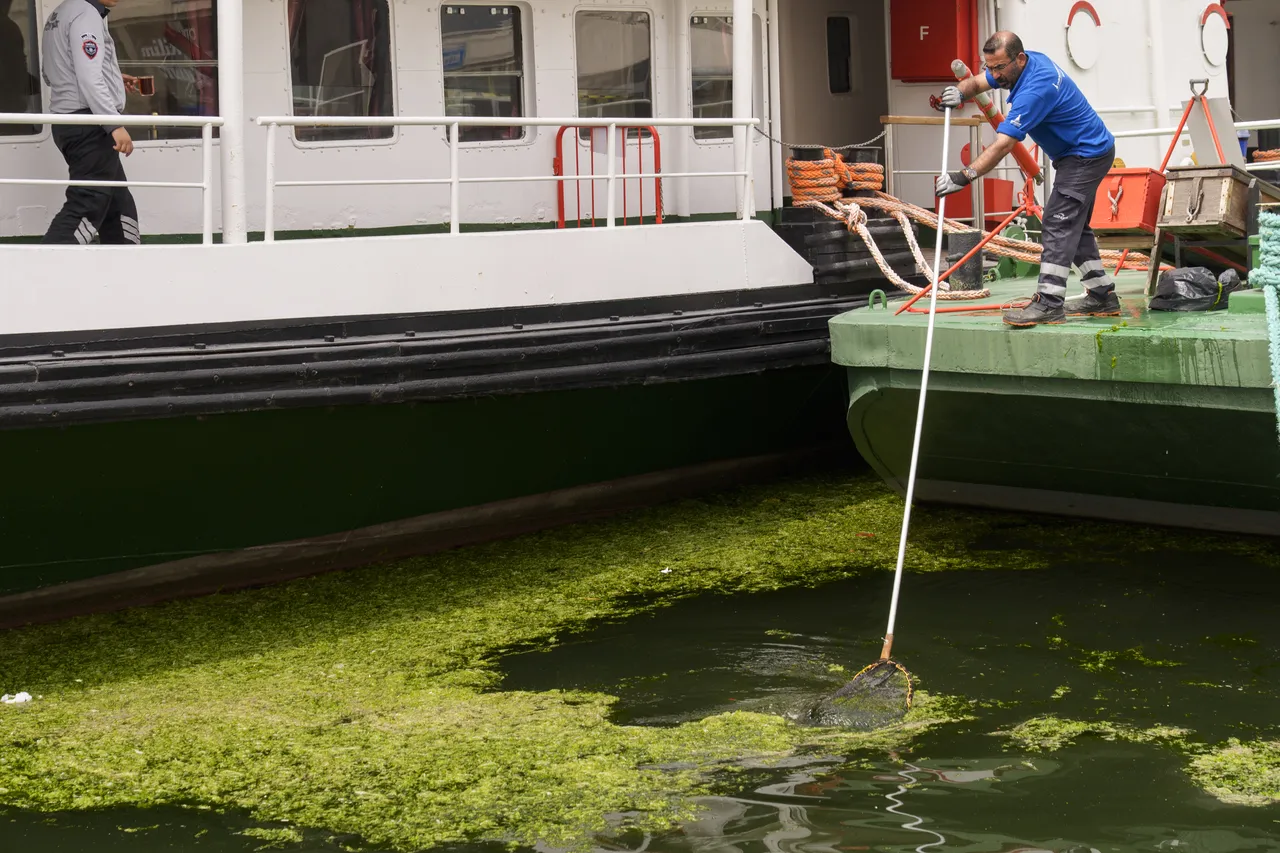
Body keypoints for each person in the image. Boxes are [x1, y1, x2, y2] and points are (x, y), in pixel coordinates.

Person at [935, 32, 1117, 327]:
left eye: (999, 68)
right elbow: (979, 82)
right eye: (989, 66)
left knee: (1058, 223)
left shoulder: (1035, 89)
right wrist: (961, 92)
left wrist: (964, 175)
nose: (994, 75)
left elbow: (1004, 144)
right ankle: (1102, 295)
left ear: (1018, 59)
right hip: (1083, 152)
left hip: (1085, 156)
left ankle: (1049, 303)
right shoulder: (1019, 65)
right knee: (1075, 226)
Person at [41, 0, 143, 245]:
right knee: (88, 201)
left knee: (119, 203)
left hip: (69, 123)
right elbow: (88, 76)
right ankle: (45, 265)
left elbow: (49, 72)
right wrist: (114, 125)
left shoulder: (59, 13)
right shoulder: (87, 14)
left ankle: (126, 263)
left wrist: (113, 77)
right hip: (89, 125)